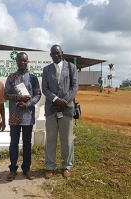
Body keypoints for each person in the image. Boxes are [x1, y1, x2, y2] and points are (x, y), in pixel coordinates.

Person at [42, 44, 78, 179]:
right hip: (51, 108)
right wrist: (56, 99)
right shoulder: (46, 70)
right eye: (53, 53)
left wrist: (64, 101)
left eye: (58, 53)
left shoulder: (71, 67)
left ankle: (67, 166)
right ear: (50, 55)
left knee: (67, 140)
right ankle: (50, 166)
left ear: (62, 53)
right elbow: (44, 88)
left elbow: (74, 87)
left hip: (67, 109)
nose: (56, 55)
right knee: (50, 139)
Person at [4, 52, 41, 181]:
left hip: (28, 115)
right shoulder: (11, 78)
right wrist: (19, 97)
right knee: (13, 143)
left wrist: (27, 104)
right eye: (20, 60)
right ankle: (13, 169)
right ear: (16, 61)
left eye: (24, 60)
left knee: (27, 143)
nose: (22, 62)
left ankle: (26, 169)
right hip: (14, 115)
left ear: (27, 61)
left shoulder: (33, 78)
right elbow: (6, 95)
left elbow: (38, 95)